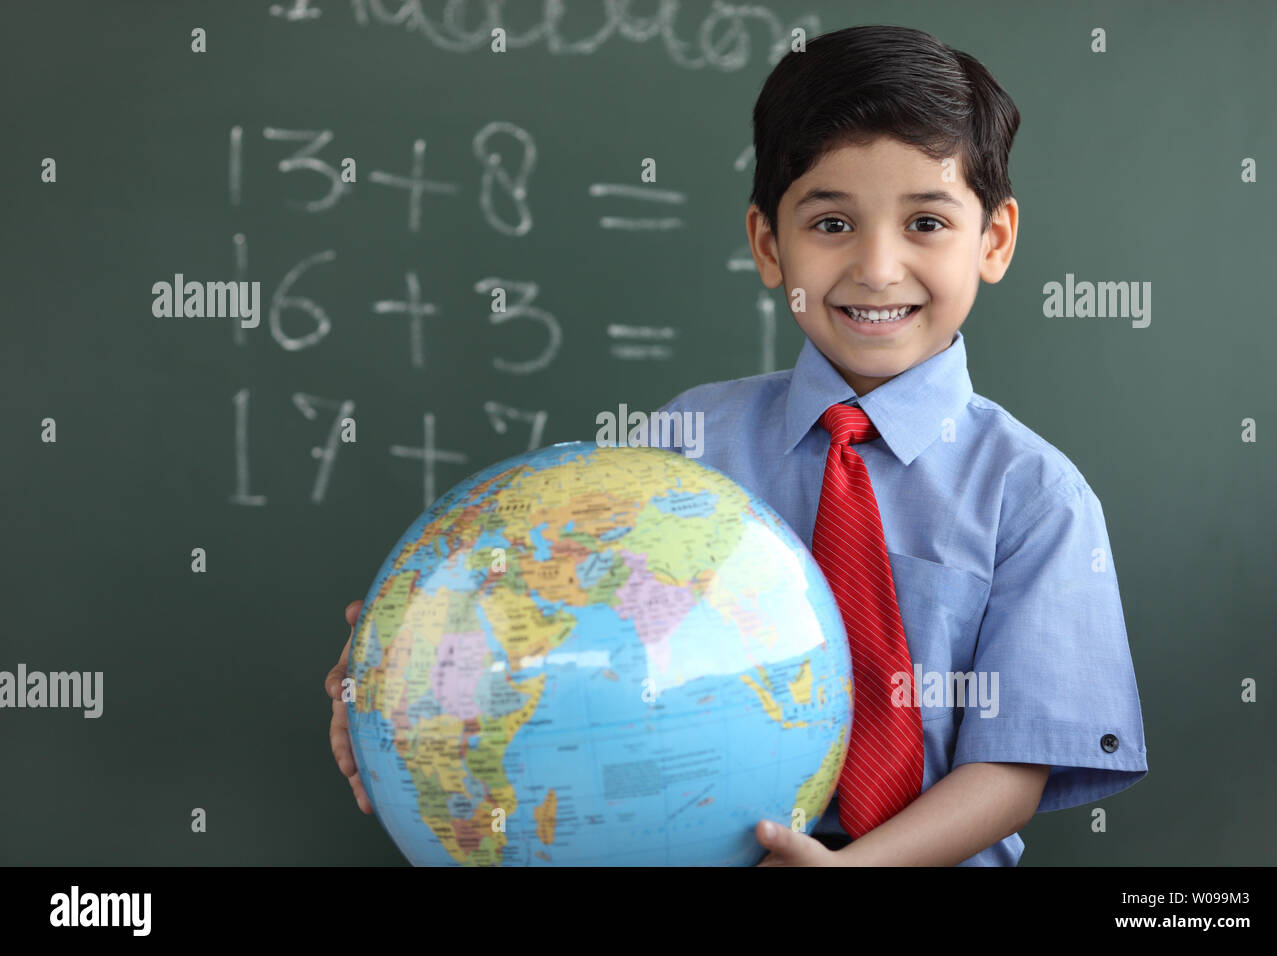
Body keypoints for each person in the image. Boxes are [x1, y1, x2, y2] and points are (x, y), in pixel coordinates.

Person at [325, 24, 1147, 866]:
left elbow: (1014, 764)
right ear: (767, 244)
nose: (877, 267)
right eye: (831, 222)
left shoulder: (1036, 494)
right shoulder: (684, 445)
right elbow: (553, 604)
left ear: (994, 240)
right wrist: (400, 666)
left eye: (927, 222)